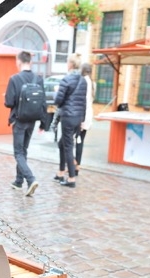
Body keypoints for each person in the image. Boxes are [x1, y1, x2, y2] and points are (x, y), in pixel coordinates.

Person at [4, 50, 44, 197]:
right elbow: (43, 102)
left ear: (18, 61)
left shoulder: (14, 79)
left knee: (18, 152)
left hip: (19, 120)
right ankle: (18, 181)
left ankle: (30, 179)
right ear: (30, 62)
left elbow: (9, 102)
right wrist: (44, 124)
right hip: (32, 120)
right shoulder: (38, 79)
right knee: (24, 150)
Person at [53, 54, 87, 188]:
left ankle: (71, 178)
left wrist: (57, 92)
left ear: (71, 64)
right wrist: (82, 119)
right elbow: (83, 102)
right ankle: (61, 172)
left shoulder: (66, 80)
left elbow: (58, 101)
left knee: (67, 146)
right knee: (63, 143)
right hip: (78, 117)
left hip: (67, 116)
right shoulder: (83, 81)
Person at [74, 62, 94, 176]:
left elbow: (83, 101)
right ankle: (77, 165)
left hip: (82, 115)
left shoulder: (84, 81)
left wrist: (80, 119)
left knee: (76, 140)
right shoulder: (92, 82)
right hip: (88, 115)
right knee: (80, 141)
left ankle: (75, 164)